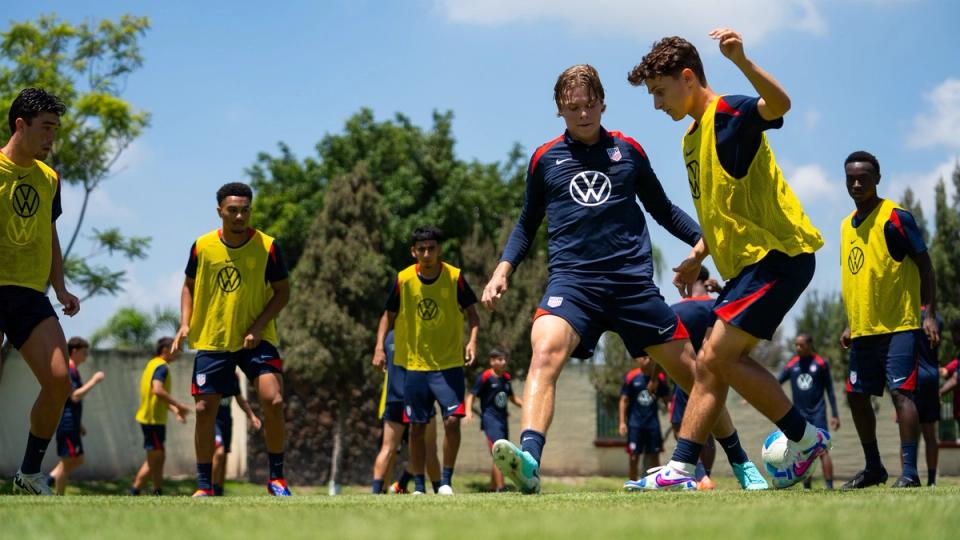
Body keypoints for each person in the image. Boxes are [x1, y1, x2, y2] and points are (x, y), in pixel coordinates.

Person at [482, 64, 765, 495]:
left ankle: (742, 462)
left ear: (603, 104)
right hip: (573, 285)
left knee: (696, 375)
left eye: (590, 104)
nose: (583, 114)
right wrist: (503, 269)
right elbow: (527, 223)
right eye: (573, 107)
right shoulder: (544, 159)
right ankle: (529, 462)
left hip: (631, 285)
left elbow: (663, 208)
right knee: (543, 352)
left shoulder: (628, 151)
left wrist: (704, 241)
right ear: (559, 110)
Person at [628, 29, 829, 489]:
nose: (657, 104)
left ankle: (804, 438)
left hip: (780, 254)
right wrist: (698, 256)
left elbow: (780, 105)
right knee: (709, 362)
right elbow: (721, 213)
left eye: (660, 92)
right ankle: (681, 469)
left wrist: (742, 60)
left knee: (715, 354)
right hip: (750, 267)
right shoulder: (690, 140)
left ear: (687, 77)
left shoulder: (733, 112)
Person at [172, 182, 292, 497]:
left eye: (245, 210)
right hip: (213, 338)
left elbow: (283, 292)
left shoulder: (268, 246)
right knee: (203, 409)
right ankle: (204, 486)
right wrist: (185, 324)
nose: (240, 216)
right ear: (220, 212)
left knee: (273, 400)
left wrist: (258, 325)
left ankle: (277, 479)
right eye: (233, 211)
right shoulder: (202, 247)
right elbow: (188, 285)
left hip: (257, 338)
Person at [837, 151, 938, 488]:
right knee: (855, 394)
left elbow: (925, 265)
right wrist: (851, 323)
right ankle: (874, 467)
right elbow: (858, 277)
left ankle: (909, 473)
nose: (856, 183)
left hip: (900, 326)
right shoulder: (844, 226)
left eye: (863, 177)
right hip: (864, 329)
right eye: (850, 177)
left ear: (877, 178)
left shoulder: (895, 217)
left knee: (902, 395)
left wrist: (930, 314)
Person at [1, 88, 79, 496]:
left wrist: (61, 287)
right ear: (21, 125)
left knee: (58, 381)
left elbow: (49, 234)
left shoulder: (49, 178)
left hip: (29, 293)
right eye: (45, 128)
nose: (52, 137)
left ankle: (30, 475)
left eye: (55, 129)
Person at [372, 225, 480, 496]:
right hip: (415, 366)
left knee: (452, 421)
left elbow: (472, 314)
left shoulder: (454, 277)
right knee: (417, 427)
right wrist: (379, 347)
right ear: (413, 252)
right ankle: (419, 485)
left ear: (439, 249)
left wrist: (472, 341)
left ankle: (446, 481)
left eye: (432, 248)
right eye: (422, 249)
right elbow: (388, 314)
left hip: (449, 364)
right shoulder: (404, 279)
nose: (427, 253)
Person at [371, 331, 442, 494]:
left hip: (393, 398)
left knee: (387, 448)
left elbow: (382, 366)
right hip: (418, 396)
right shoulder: (418, 333)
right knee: (429, 448)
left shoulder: (388, 338)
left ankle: (377, 492)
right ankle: (438, 489)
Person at [669, 267, 721, 489]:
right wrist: (720, 291)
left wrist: (653, 377)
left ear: (691, 278)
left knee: (680, 427)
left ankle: (699, 476)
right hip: (714, 376)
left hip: (686, 374)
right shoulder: (717, 307)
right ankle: (704, 474)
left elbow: (665, 348)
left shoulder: (675, 310)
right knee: (707, 429)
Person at [778, 333, 840, 489]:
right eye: (796, 345)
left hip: (818, 414)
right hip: (800, 416)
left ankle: (830, 486)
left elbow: (830, 390)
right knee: (804, 452)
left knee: (822, 450)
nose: (798, 348)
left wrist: (835, 414)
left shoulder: (820, 363)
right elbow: (776, 382)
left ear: (810, 345)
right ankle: (807, 487)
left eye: (801, 345)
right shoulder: (792, 365)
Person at [130, 337, 189, 496]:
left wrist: (174, 410)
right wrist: (179, 405)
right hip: (152, 420)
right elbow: (157, 390)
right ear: (165, 350)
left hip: (152, 419)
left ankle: (157, 491)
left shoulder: (152, 364)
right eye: (176, 348)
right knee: (154, 459)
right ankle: (134, 491)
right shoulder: (162, 367)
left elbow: (156, 396)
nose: (179, 352)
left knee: (160, 456)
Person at [46, 337, 105, 495]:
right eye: (84, 352)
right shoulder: (69, 370)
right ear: (74, 352)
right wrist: (93, 381)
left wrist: (79, 425)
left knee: (77, 459)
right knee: (68, 462)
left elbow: (69, 400)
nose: (86, 355)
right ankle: (57, 496)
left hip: (72, 423)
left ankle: (48, 481)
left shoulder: (73, 370)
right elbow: (74, 396)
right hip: (67, 423)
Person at [465, 347, 523, 492]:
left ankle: (492, 487)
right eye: (500, 359)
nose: (503, 362)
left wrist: (527, 406)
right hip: (490, 421)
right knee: (500, 453)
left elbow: (512, 398)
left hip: (503, 421)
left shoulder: (506, 378)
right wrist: (468, 412)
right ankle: (501, 487)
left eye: (505, 359)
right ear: (492, 361)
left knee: (500, 453)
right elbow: (471, 395)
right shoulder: (485, 377)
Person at [619, 356, 669, 481]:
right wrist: (622, 423)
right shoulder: (631, 377)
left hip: (653, 425)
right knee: (633, 457)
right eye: (644, 357)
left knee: (655, 457)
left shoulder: (659, 377)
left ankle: (657, 485)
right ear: (638, 360)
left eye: (650, 358)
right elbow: (624, 400)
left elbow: (667, 399)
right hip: (635, 424)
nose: (648, 360)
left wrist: (673, 416)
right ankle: (632, 485)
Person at [212, 375, 262, 496]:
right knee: (219, 451)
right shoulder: (214, 373)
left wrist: (251, 416)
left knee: (224, 455)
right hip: (213, 420)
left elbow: (239, 398)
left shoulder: (233, 377)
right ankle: (209, 487)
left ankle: (219, 490)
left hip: (227, 421)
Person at [914, 307, 942, 487]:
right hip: (931, 377)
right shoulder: (937, 319)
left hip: (911, 378)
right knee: (930, 433)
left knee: (908, 435)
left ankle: (909, 476)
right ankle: (931, 480)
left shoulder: (907, 316)